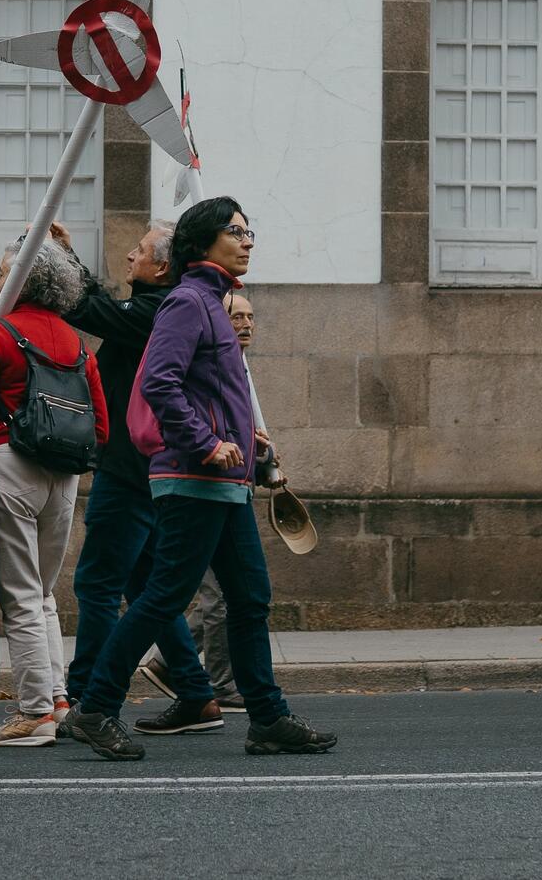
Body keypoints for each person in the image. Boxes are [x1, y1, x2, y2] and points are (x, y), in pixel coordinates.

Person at [66, 197, 337, 762]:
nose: (247, 240)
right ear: (202, 242)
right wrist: (207, 442)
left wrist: (248, 441)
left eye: (248, 231)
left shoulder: (213, 302)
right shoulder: (188, 302)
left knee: (250, 598)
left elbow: (208, 392)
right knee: (164, 595)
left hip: (225, 481)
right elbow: (160, 383)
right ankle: (95, 707)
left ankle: (267, 718)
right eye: (235, 231)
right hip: (193, 476)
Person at [52, 219, 225, 737]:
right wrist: (69, 255)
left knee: (98, 583)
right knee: (147, 586)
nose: (130, 256)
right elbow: (102, 306)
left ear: (164, 266)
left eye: (140, 250)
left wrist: (60, 262)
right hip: (140, 466)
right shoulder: (156, 307)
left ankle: (86, 697)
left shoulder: (158, 309)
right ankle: (195, 693)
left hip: (130, 469)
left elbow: (88, 309)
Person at [0, 237, 108, 748]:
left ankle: (33, 711)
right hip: (65, 476)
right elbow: (101, 428)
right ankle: (58, 700)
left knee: (19, 595)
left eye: (3, 273)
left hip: (11, 464)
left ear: (23, 281)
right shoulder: (76, 342)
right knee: (43, 593)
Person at [152, 288, 277, 711]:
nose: (245, 324)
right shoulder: (209, 357)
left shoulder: (240, 366)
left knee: (234, 594)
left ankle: (171, 665)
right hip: (200, 485)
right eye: (236, 316)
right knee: (200, 596)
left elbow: (241, 428)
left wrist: (263, 458)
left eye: (250, 317)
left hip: (232, 486)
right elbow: (164, 390)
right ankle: (217, 682)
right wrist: (213, 446)